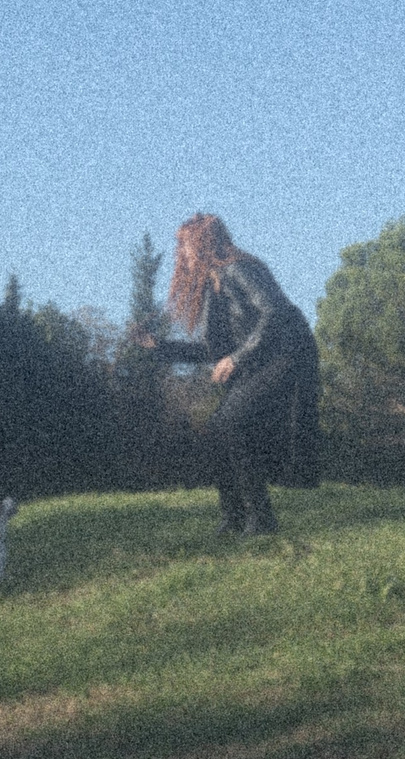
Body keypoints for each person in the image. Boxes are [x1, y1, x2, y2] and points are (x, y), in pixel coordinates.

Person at [134, 213, 322, 534]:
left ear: (204, 244)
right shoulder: (213, 289)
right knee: (218, 428)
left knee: (230, 422)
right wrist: (159, 347)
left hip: (288, 354)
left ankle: (261, 519)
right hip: (260, 358)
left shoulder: (238, 268)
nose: (182, 254)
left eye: (186, 246)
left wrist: (237, 358)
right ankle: (233, 518)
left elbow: (274, 313)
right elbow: (214, 353)